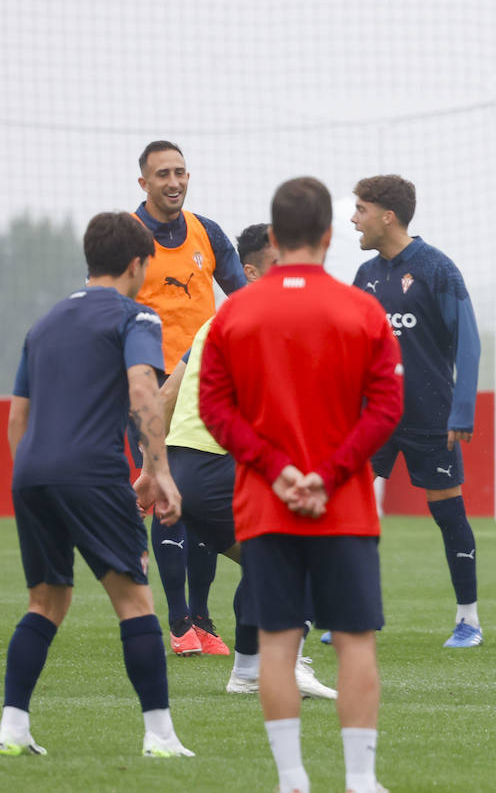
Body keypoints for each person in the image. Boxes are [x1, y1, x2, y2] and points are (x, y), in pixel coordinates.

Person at [199, 177, 403, 793]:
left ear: (274, 235)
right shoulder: (360, 309)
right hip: (341, 506)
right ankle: (360, 781)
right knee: (353, 641)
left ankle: (292, 779)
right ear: (327, 234)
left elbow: (214, 407)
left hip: (265, 505)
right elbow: (387, 406)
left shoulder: (234, 311)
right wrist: (327, 473)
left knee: (278, 643)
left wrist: (279, 470)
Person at [0, 211, 193, 758]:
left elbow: (16, 420)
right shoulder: (138, 317)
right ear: (137, 264)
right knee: (135, 602)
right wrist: (159, 471)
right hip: (94, 471)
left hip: (31, 473)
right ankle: (160, 737)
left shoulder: (45, 323)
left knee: (46, 601)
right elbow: (142, 390)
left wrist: (33, 477)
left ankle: (12, 730)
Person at [159, 223, 335, 700]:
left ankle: (246, 672)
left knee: (263, 562)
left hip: (188, 466)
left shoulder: (217, 321)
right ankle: (290, 667)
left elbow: (167, 395)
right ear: (253, 271)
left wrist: (153, 469)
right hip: (213, 465)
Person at [343, 173, 484, 648]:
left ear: (387, 215)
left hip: (431, 417)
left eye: (360, 210)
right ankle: (354, 612)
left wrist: (461, 411)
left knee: (448, 515)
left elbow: (468, 339)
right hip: (372, 419)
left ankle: (469, 620)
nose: (353, 219)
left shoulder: (436, 268)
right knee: (351, 510)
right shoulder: (365, 276)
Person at [133, 139, 248, 657]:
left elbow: (243, 298)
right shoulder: (130, 236)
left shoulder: (208, 232)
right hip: (149, 386)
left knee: (202, 502)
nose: (174, 181)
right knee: (165, 498)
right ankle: (179, 622)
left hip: (204, 384)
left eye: (180, 171)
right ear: (144, 183)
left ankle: (202, 617)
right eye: (163, 174)